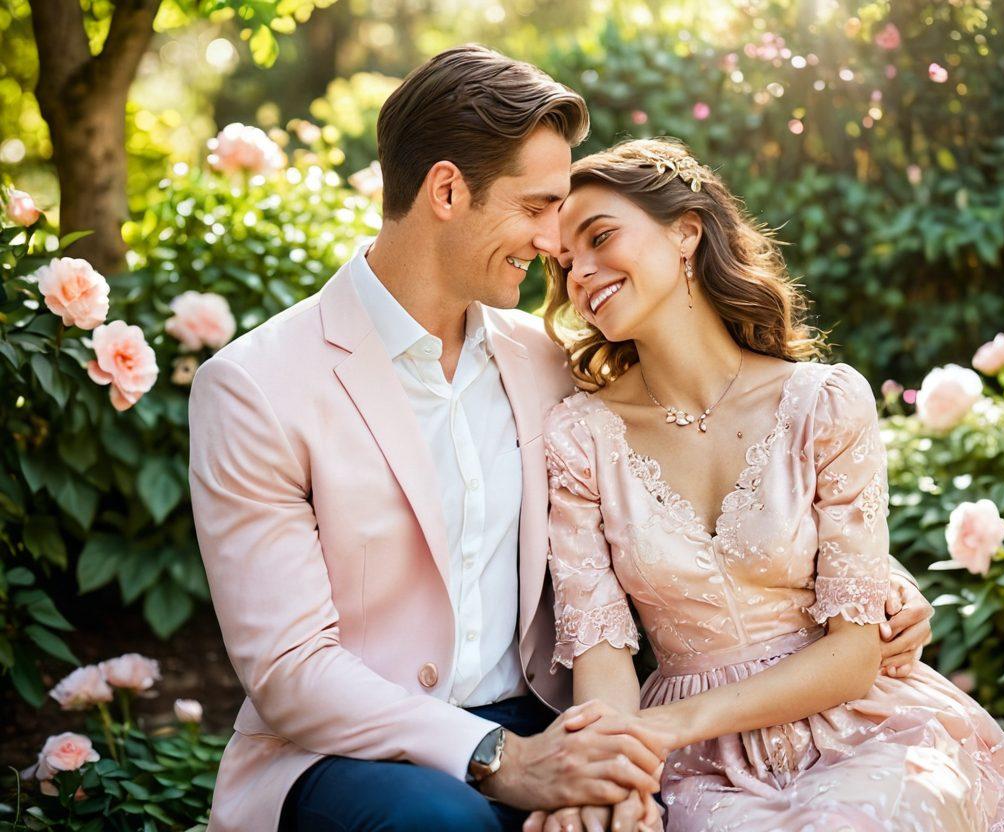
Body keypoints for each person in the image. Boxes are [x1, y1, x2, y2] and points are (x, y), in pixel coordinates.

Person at [188, 45, 934, 832]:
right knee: (441, 824)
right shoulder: (257, 386)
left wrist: (879, 591)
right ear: (447, 190)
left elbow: (693, 471)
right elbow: (291, 669)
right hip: (350, 751)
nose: (554, 244)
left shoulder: (544, 363)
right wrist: (505, 761)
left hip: (549, 717)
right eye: (539, 207)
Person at [529, 138, 1004, 831]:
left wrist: (661, 727)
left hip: (866, 727)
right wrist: (609, 776)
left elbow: (854, 654)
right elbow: (601, 653)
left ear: (686, 232)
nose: (580, 272)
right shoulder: (580, 438)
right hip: (701, 766)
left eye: (600, 237)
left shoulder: (824, 403)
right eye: (563, 263)